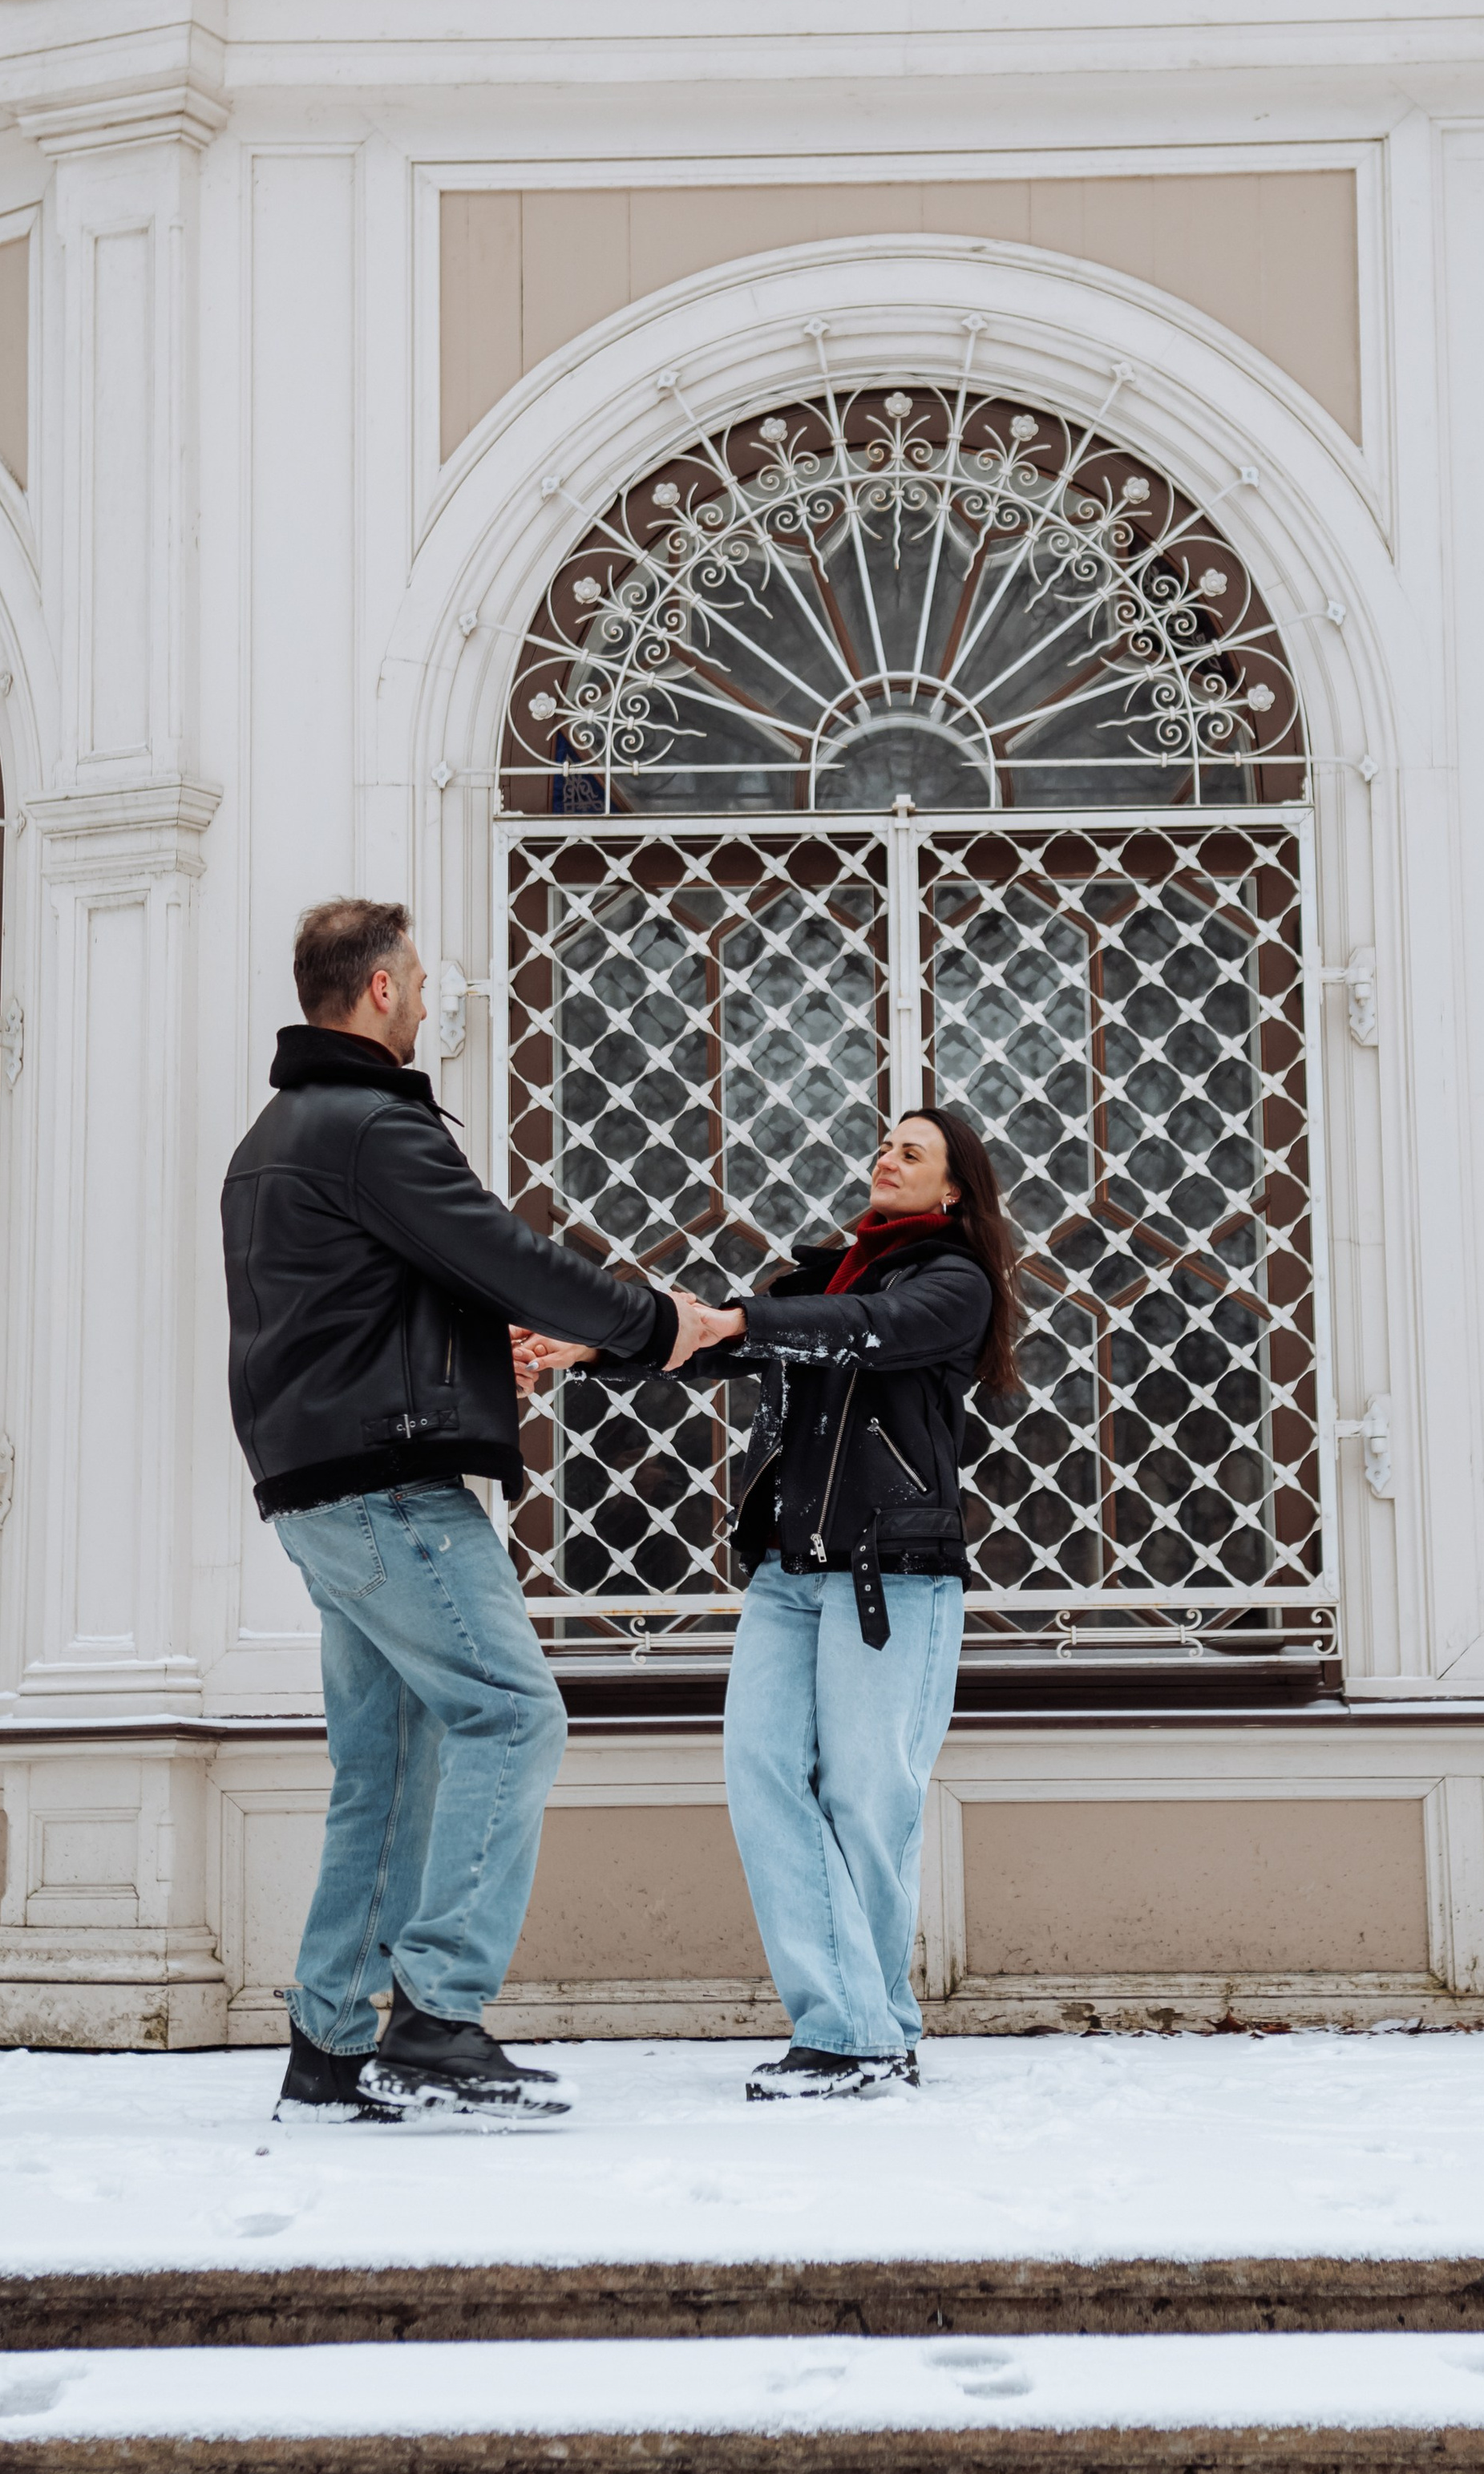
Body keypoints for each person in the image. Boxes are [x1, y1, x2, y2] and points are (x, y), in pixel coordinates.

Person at [220, 897, 726, 2127]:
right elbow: (504, 1254)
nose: (435, 997)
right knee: (512, 1715)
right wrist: (662, 1326)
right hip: (390, 1488)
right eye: (425, 979)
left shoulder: (278, 1134)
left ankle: (330, 2047)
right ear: (382, 991)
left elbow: (353, 1313)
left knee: (386, 1771)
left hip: (323, 1490)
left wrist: (459, 1352)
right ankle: (438, 2021)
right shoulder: (374, 1126)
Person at [516, 1107, 1020, 2102]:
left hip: (893, 1577)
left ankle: (860, 2031)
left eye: (911, 1152)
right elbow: (721, 1349)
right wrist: (591, 1351)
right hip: (791, 1575)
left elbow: (865, 1334)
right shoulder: (827, 1279)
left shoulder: (951, 1284)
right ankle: (858, 2028)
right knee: (761, 1776)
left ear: (955, 1190)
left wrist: (740, 1316)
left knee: (868, 1803)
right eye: (882, 1142)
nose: (886, 1156)